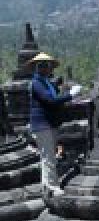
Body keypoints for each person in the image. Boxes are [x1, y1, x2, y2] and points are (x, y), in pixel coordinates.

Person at [28, 52, 80, 197]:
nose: (47, 68)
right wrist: (71, 95)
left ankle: (47, 185)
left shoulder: (47, 83)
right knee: (49, 156)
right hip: (42, 124)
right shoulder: (36, 83)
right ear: (38, 68)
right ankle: (52, 186)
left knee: (48, 155)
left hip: (50, 123)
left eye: (48, 65)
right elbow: (50, 101)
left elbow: (56, 99)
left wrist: (68, 97)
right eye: (43, 66)